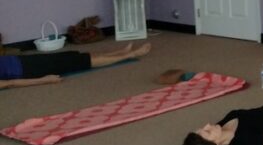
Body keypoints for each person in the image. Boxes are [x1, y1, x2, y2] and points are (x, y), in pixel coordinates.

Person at [0, 42, 151, 90]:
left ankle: (119, 51)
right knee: (82, 62)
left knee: (77, 55)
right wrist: (45, 80)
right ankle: (130, 55)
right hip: (30, 70)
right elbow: (10, 83)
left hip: (25, 60)